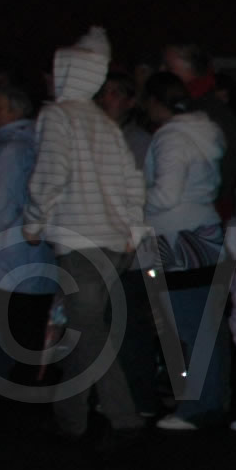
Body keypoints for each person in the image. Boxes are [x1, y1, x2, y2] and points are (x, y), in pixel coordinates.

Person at [22, 28, 153, 444]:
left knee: (87, 334)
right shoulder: (105, 124)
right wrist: (133, 231)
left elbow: (50, 175)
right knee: (87, 332)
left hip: (81, 242)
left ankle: (109, 416)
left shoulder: (58, 117)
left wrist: (33, 223)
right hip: (113, 243)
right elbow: (133, 182)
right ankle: (82, 415)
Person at [138, 72, 230, 428]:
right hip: (204, 230)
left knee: (188, 325)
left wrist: (132, 199)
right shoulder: (204, 132)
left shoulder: (171, 137)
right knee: (205, 323)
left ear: (155, 101)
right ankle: (211, 399)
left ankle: (196, 407)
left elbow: (165, 195)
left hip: (176, 237)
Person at [0, 78, 55, 404]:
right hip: (37, 253)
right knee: (27, 330)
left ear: (16, 110)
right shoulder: (41, 144)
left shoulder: (10, 149)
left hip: (6, 255)